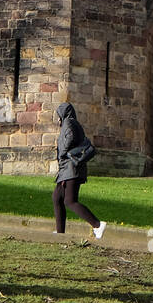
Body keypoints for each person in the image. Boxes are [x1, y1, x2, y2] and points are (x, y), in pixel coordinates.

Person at [52, 101, 107, 239]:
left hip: (71, 168)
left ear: (63, 113)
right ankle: (60, 232)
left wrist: (62, 153)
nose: (58, 119)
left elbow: (69, 139)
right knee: (57, 198)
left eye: (59, 115)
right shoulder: (73, 123)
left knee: (69, 201)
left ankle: (97, 225)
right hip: (68, 169)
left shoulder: (68, 123)